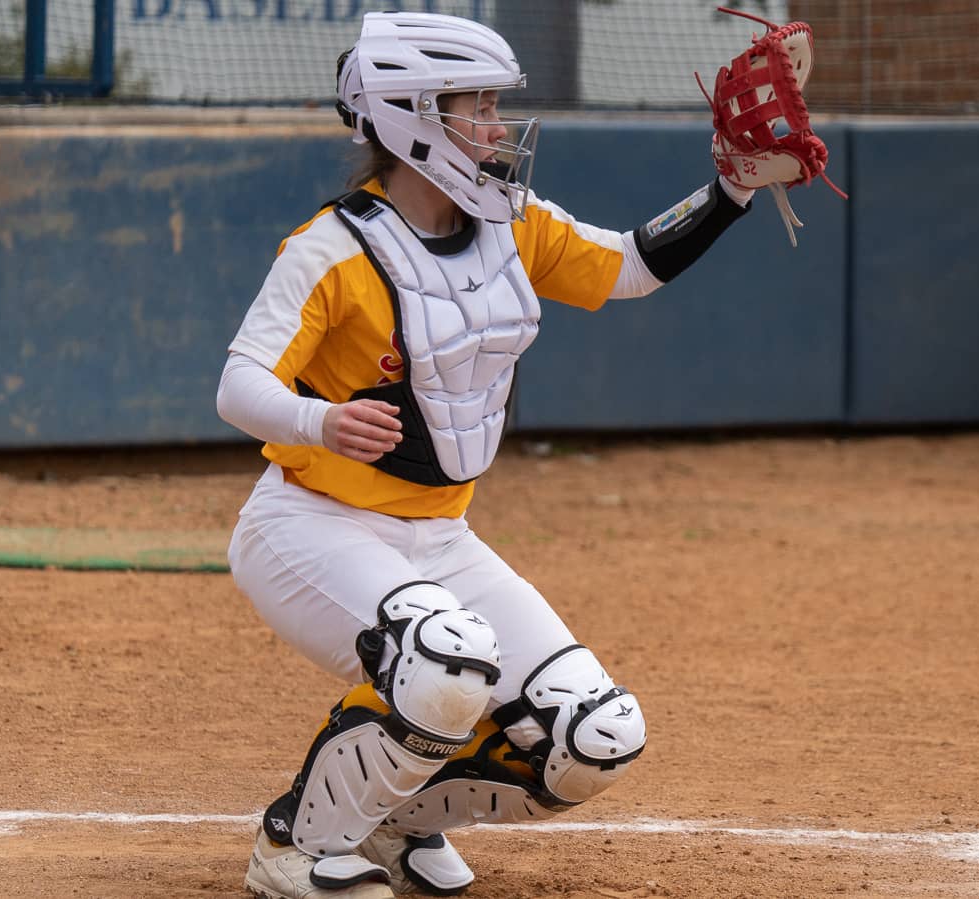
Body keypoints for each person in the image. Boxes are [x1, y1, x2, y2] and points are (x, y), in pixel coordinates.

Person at [217, 11, 762, 898]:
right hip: (311, 527)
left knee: (595, 735)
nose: (500, 128)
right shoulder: (331, 248)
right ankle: (298, 843)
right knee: (444, 662)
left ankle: (395, 820)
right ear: (413, 118)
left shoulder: (507, 220)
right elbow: (238, 387)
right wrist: (321, 422)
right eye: (478, 107)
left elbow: (625, 266)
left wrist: (730, 191)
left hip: (440, 539)